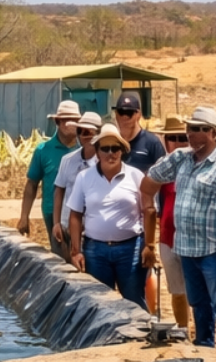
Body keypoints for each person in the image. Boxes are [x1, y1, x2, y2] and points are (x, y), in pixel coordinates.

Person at [144, 106, 216, 352]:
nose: (192, 135)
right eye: (191, 129)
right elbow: (150, 180)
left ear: (213, 133)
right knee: (198, 304)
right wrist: (147, 205)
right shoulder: (183, 159)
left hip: (213, 248)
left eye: (200, 130)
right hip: (187, 248)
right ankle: (204, 349)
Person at [67, 124, 154, 310]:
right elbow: (75, 215)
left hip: (130, 250)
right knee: (99, 305)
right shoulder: (84, 177)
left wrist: (149, 245)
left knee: (134, 303)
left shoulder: (136, 176)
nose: (110, 153)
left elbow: (148, 211)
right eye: (105, 148)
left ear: (122, 151)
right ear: (97, 152)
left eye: (115, 148)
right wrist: (76, 251)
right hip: (95, 251)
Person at [18, 100, 82, 258]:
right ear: (58, 122)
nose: (71, 124)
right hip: (54, 215)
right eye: (66, 120)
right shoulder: (43, 151)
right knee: (61, 260)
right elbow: (31, 185)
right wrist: (24, 216)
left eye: (75, 120)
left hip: (82, 214)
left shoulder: (85, 149)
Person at [153, 117, 191, 329]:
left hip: (193, 238)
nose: (178, 142)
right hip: (167, 236)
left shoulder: (200, 164)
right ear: (165, 141)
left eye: (182, 138)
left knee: (198, 292)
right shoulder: (162, 167)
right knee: (177, 291)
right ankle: (183, 332)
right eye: (172, 138)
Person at [53, 111, 103, 251]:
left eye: (86, 132)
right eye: (79, 131)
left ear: (97, 135)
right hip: (66, 228)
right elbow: (59, 191)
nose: (82, 136)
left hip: (92, 232)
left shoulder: (103, 164)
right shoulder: (67, 160)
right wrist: (56, 223)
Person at [112, 91, 166, 173]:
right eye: (121, 112)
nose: (125, 117)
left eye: (129, 113)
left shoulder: (152, 143)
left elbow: (163, 174)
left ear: (139, 115)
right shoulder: (111, 142)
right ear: (116, 114)